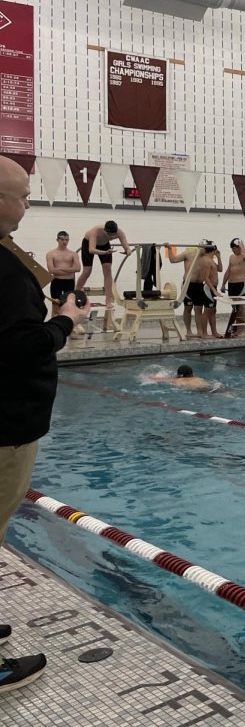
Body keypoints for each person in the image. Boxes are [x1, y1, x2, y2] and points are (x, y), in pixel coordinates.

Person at [0, 154, 89, 692]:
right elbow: (20, 348)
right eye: (22, 195)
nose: (27, 204)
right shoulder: (5, 271)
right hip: (5, 425)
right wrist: (63, 323)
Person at [76, 220, 132, 311]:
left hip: (104, 245)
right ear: (105, 231)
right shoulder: (95, 231)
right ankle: (76, 292)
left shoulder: (119, 232)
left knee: (108, 269)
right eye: (109, 235)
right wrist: (105, 252)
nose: (112, 237)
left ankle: (108, 301)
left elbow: (126, 245)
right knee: (87, 271)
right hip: (88, 244)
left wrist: (128, 251)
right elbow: (91, 250)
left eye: (114, 235)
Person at [220, 238, 245, 338]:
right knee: (235, 308)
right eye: (232, 248)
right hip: (231, 285)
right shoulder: (231, 257)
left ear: (240, 247)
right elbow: (228, 271)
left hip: (241, 284)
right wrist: (223, 284)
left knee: (240, 307)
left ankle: (242, 330)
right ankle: (238, 330)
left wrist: (242, 247)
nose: (233, 250)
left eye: (235, 248)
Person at [44, 230, 80, 317]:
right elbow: (51, 270)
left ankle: (68, 325)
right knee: (56, 306)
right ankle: (54, 326)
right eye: (62, 240)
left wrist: (59, 269)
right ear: (57, 240)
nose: (65, 242)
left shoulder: (73, 254)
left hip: (69, 282)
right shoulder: (51, 254)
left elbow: (78, 268)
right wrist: (70, 269)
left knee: (69, 306)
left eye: (67, 240)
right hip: (57, 282)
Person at [143, 364, 221, 392]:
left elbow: (162, 380)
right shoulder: (198, 378)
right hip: (212, 387)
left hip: (200, 391)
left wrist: (150, 376)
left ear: (180, 375)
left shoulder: (179, 380)